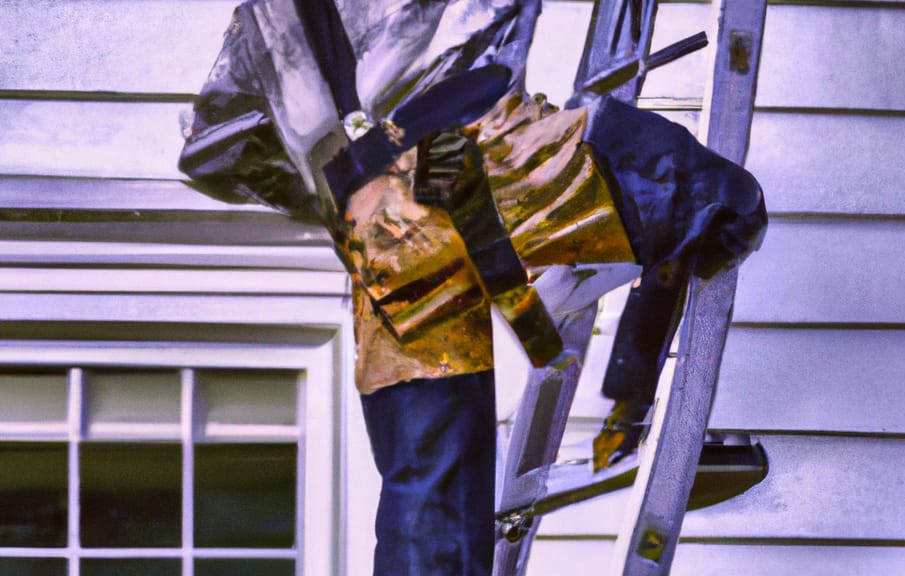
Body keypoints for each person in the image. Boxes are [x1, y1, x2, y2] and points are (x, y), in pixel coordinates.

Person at [177, 0, 766, 573]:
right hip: (474, 152)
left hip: (374, 220)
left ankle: (600, 355)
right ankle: (624, 393)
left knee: (431, 492)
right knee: (726, 200)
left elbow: (223, 144)